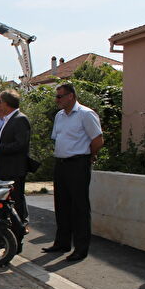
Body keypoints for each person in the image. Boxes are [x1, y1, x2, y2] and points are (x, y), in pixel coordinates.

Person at [42, 83, 104, 261]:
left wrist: (90, 156)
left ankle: (81, 248)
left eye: (60, 96)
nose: (57, 100)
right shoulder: (60, 116)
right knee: (61, 205)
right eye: (57, 96)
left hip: (78, 163)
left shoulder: (85, 114)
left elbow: (98, 139)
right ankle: (62, 242)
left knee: (79, 207)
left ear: (71, 96)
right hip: (61, 163)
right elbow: (58, 138)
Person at [0, 89, 31, 229]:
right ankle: (6, 229)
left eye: (0, 102)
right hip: (5, 169)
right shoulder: (8, 120)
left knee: (16, 201)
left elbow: (21, 144)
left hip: (14, 169)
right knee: (6, 201)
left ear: (6, 103)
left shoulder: (20, 119)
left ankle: (18, 229)